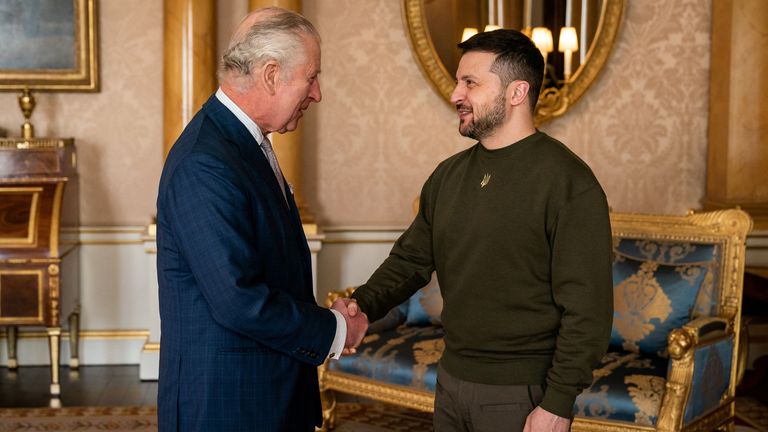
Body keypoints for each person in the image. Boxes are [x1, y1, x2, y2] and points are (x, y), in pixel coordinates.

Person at [340, 29, 613, 432]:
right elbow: (410, 261)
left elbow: (588, 310)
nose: (455, 95)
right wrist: (360, 308)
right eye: (457, 81)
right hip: (450, 381)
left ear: (517, 92)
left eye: (470, 82)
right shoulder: (447, 176)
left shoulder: (569, 181)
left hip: (522, 392)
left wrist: (557, 403)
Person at [155, 8, 367, 431]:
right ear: (272, 75)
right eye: (311, 77)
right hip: (228, 406)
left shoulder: (242, 144)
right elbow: (240, 301)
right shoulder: (206, 161)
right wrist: (336, 330)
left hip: (264, 394)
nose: (318, 93)